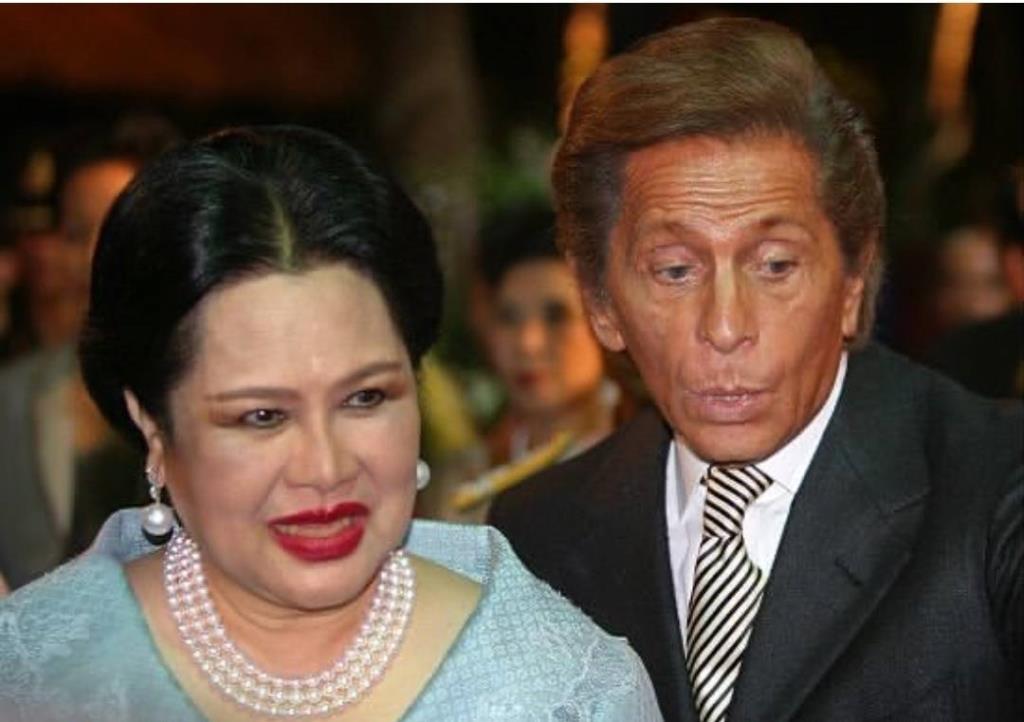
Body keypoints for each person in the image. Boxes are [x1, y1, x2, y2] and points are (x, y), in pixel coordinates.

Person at [0, 126, 662, 722]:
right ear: (152, 423)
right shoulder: (35, 673)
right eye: (262, 416)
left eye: (365, 398)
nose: (324, 468)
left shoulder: (565, 690)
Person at [489, 17, 1023, 722]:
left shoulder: (996, 484)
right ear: (601, 303)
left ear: (852, 281)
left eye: (775, 266)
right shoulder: (537, 534)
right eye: (675, 270)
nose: (726, 326)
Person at [0, 122, 177, 590]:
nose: (92, 255)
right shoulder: (12, 395)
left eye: (117, 228)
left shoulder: (212, 394)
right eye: (76, 233)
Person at [427, 206, 627, 521]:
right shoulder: (460, 481)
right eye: (508, 317)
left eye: (556, 316)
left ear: (609, 319)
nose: (528, 343)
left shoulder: (651, 464)